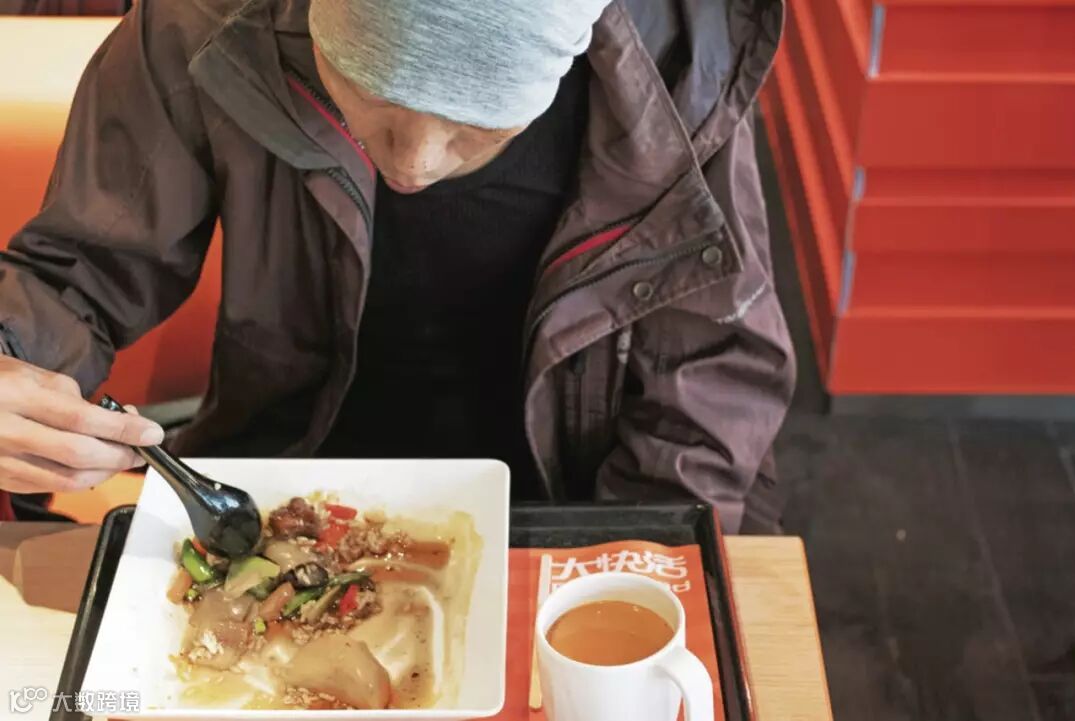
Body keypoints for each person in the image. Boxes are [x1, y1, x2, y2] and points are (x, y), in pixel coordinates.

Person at [0, 0, 794, 532]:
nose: (413, 166)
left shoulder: (674, 76)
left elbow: (712, 379)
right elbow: (71, 276)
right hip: (283, 486)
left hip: (566, 506)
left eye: (476, 130)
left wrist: (618, 565)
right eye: (367, 96)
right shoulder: (206, 20)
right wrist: (10, 365)